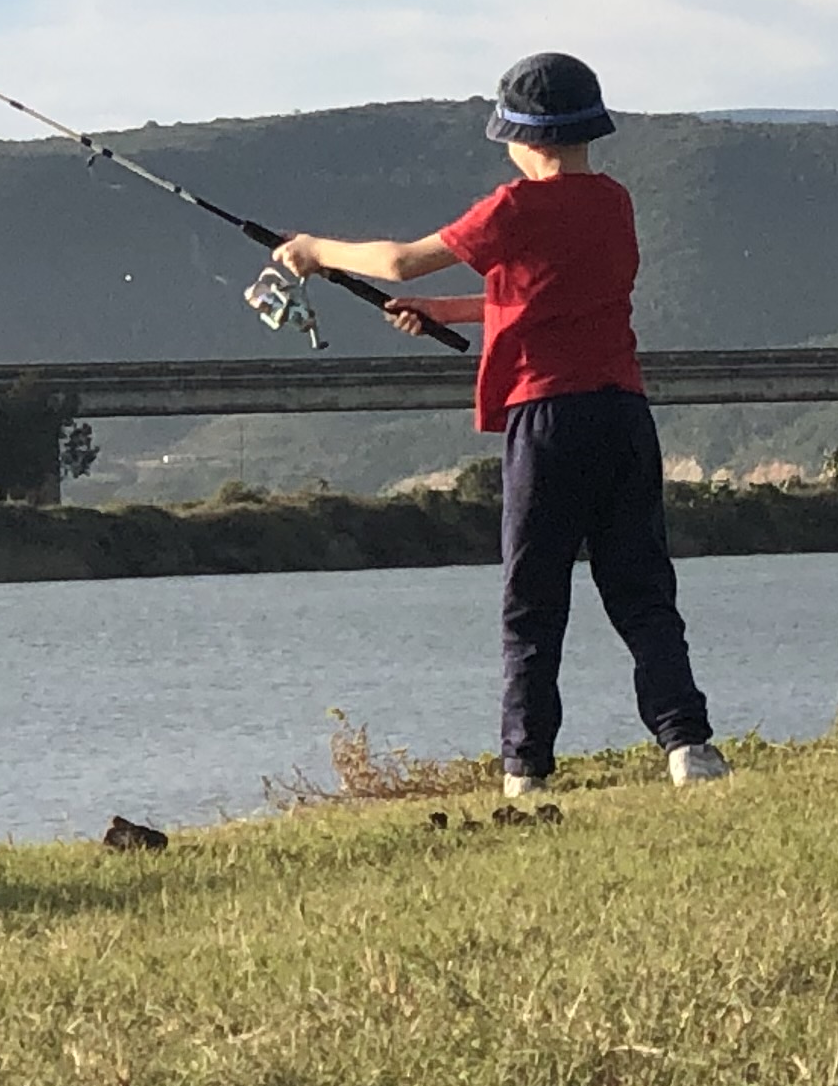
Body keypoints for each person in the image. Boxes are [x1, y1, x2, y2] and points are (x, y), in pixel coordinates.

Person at [271, 53, 729, 794]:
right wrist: (449, 313)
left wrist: (314, 253)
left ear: (521, 137)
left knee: (532, 601)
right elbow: (547, 300)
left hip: (547, 420)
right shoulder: (614, 204)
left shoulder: (513, 207)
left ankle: (526, 768)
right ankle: (689, 748)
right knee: (642, 591)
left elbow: (398, 261)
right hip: (622, 413)